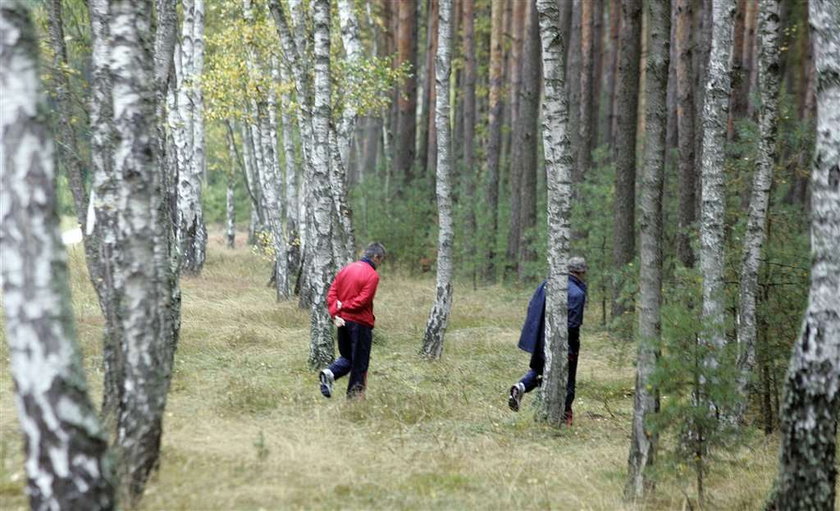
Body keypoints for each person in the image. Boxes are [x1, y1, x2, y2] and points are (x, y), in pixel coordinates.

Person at [508, 257, 587, 425]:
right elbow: (572, 324)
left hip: (540, 339)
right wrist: (570, 349)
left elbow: (532, 306)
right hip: (563, 344)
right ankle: (563, 415)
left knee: (540, 370)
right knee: (566, 380)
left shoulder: (547, 284)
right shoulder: (577, 293)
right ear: (581, 272)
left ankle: (520, 386)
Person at [319, 242, 386, 399]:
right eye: (381, 260)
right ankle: (354, 399)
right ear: (376, 257)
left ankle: (330, 373)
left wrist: (336, 312)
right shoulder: (372, 275)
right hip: (360, 323)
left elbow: (332, 293)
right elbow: (363, 301)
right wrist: (343, 307)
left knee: (348, 357)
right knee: (360, 363)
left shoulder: (346, 269)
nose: (380, 264)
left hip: (342, 321)